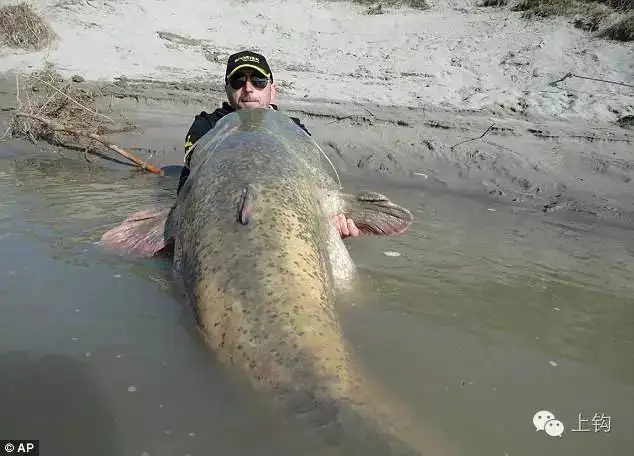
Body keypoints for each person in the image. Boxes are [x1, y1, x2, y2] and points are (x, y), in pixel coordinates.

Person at [177, 50, 359, 238]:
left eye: (258, 81)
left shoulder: (293, 127)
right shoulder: (206, 124)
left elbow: (312, 175)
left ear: (272, 90)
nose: (248, 88)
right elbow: (195, 172)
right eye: (238, 81)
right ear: (227, 89)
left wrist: (331, 215)